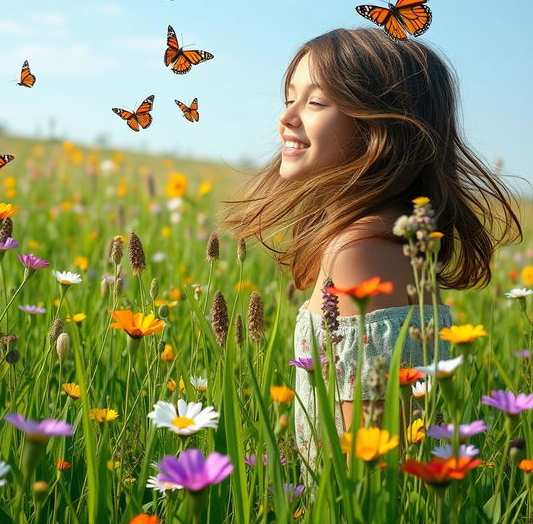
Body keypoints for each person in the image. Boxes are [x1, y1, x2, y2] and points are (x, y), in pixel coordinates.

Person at [219, 28, 522, 483]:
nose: (287, 117)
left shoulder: (361, 249)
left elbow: (374, 459)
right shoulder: (372, 235)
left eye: (316, 103)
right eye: (289, 98)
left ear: (379, 127)